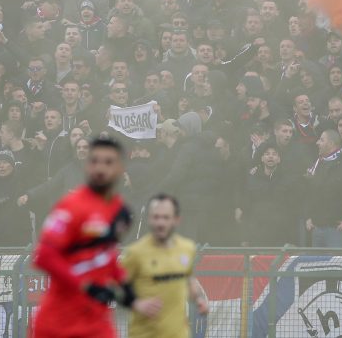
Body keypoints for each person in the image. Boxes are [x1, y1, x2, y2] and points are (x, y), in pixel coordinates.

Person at [31, 137, 159, 338]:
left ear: (120, 168)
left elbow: (107, 258)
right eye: (95, 161)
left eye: (108, 162)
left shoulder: (118, 209)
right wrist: (85, 286)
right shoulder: (70, 205)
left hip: (96, 324)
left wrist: (133, 300)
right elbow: (44, 256)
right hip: (58, 324)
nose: (101, 168)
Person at [122, 194, 209, 338]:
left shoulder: (187, 248)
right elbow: (118, 287)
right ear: (149, 219)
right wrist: (136, 303)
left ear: (176, 220)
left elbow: (188, 279)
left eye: (165, 217)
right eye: (156, 217)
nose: (160, 223)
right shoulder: (135, 253)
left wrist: (199, 299)